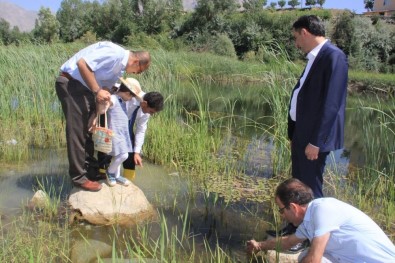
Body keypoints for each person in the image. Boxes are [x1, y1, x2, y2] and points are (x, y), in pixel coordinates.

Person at [55, 41, 150, 191]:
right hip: (72, 84)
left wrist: (96, 113)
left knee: (89, 130)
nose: (136, 74)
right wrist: (96, 91)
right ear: (136, 62)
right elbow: (82, 64)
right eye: (138, 71)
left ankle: (91, 171)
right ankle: (79, 178)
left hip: (84, 90)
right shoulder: (115, 52)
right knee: (77, 132)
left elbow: (106, 89)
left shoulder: (119, 71)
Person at [247, 178, 395, 262]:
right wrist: (259, 245)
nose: (281, 215)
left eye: (281, 210)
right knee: (304, 255)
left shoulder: (323, 209)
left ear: (293, 207)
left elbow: (314, 260)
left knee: (309, 257)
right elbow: (288, 242)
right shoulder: (309, 220)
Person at [288, 15, 348, 199]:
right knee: (298, 184)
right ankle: (295, 226)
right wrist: (293, 133)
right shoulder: (315, 57)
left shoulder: (334, 57)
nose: (297, 44)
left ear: (304, 32)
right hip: (302, 133)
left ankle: (317, 227)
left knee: (310, 186)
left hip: (314, 138)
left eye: (296, 37)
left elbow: (332, 104)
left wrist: (316, 142)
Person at [97, 77, 164, 181]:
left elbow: (141, 130)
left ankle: (125, 179)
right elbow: (117, 89)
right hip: (111, 120)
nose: (150, 114)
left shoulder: (145, 113)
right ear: (145, 103)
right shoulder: (128, 94)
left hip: (125, 126)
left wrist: (137, 152)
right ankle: (102, 173)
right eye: (151, 111)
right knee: (106, 150)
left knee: (130, 153)